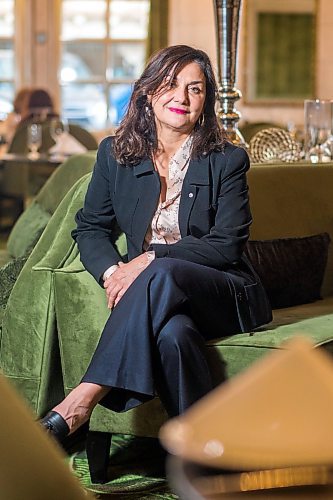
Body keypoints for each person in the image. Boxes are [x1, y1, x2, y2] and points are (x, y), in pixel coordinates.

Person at [41, 45, 272, 440]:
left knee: (162, 270)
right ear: (148, 91)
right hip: (156, 295)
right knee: (173, 336)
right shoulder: (115, 155)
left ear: (206, 101)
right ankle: (203, 451)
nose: (181, 98)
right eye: (170, 84)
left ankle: (78, 402)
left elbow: (226, 246)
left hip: (222, 290)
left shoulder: (226, 160)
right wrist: (115, 272)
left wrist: (148, 259)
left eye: (195, 89)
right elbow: (91, 228)